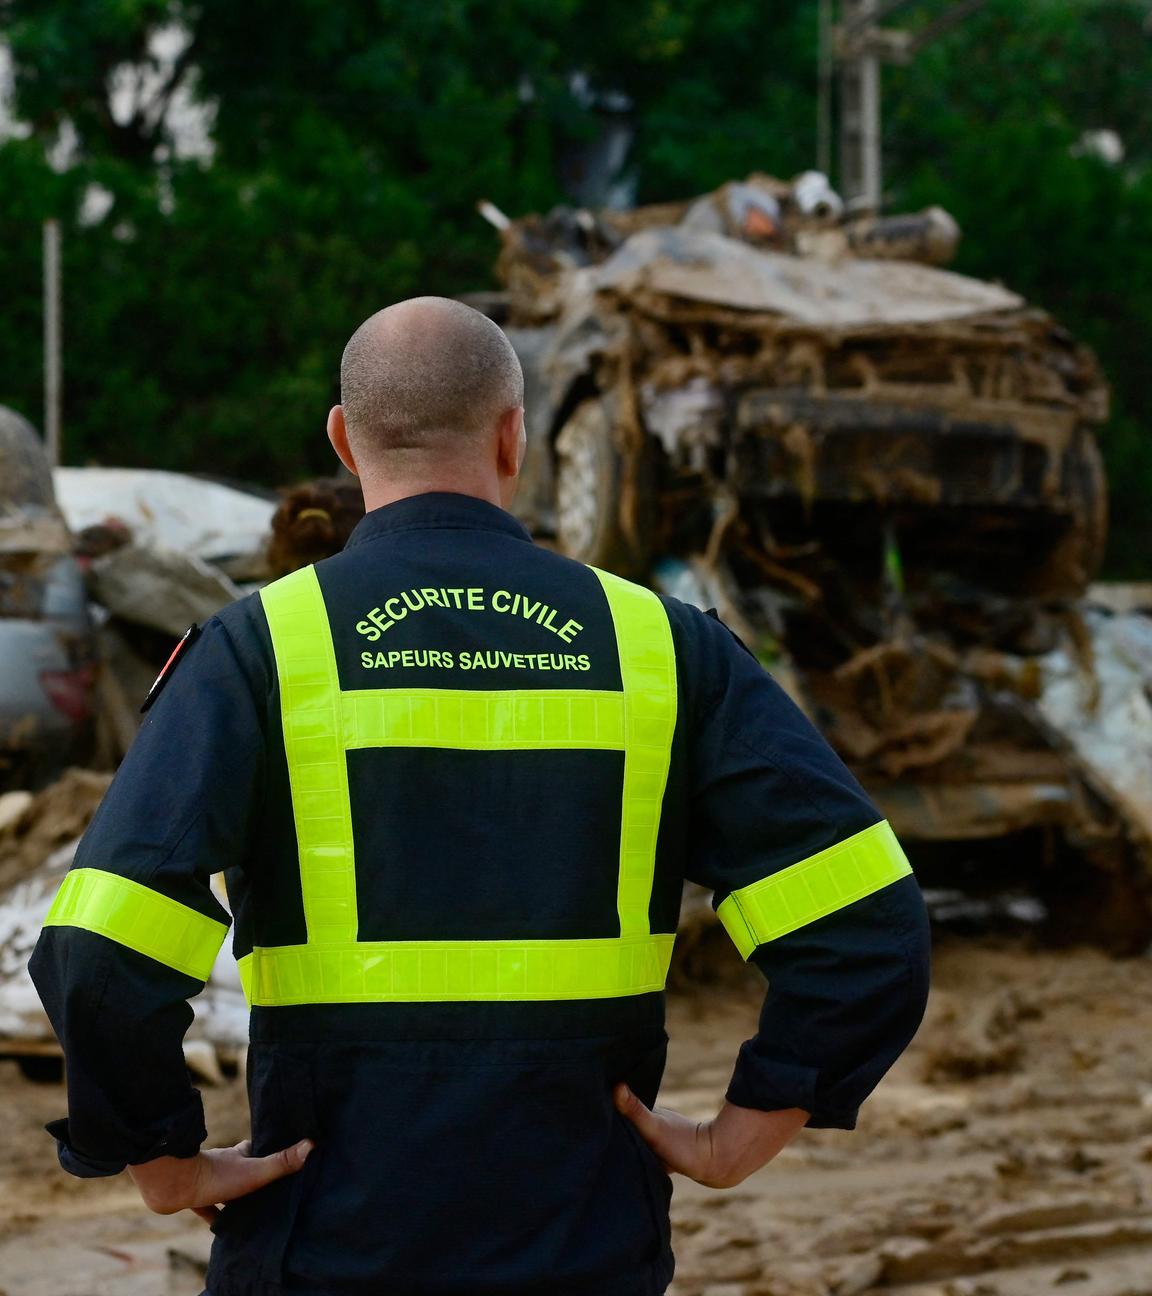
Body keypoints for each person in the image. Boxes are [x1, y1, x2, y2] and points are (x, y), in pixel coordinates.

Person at [29, 296, 931, 1296]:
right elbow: (866, 924)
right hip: (585, 1249)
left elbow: (100, 951)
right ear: (516, 438)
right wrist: (745, 1131)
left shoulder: (262, 649)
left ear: (344, 437)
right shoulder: (663, 650)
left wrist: (163, 1157)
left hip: (324, 1249)